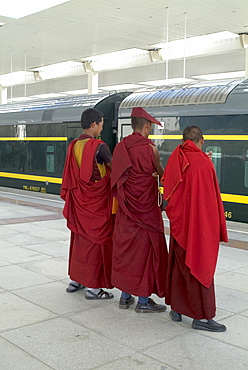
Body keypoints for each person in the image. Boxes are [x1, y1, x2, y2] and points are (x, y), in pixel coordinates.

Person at [162, 125, 228, 331]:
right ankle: (202, 317)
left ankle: (177, 310)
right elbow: (210, 202)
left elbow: (169, 188)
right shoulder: (205, 165)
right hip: (197, 227)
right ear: (201, 140)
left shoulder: (176, 157)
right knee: (200, 265)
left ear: (184, 141)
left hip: (179, 226)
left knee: (179, 267)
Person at [111, 107, 168, 313]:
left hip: (126, 211)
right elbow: (162, 173)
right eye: (150, 126)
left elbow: (115, 180)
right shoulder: (150, 148)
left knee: (127, 252)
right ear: (146, 125)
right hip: (146, 211)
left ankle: (125, 298)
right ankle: (143, 301)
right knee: (145, 253)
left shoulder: (121, 147)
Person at [61, 108, 114, 300]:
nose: (101, 128)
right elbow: (114, 170)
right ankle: (93, 288)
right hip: (97, 205)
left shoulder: (73, 145)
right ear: (94, 124)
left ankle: (76, 279)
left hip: (79, 203)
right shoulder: (100, 147)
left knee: (79, 242)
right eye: (101, 124)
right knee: (96, 243)